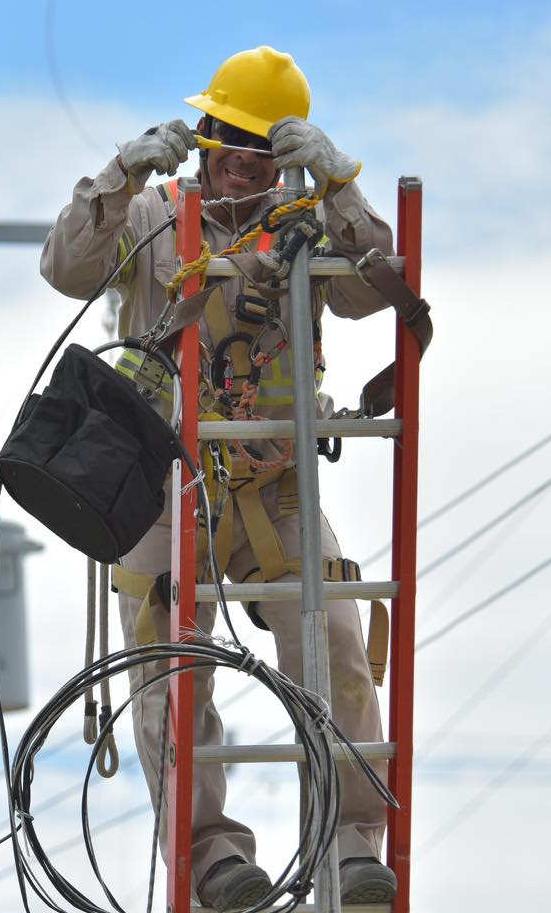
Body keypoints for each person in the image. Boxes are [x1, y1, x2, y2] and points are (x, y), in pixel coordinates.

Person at [40, 46, 398, 908]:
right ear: (203, 134)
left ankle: (352, 845)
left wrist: (341, 185)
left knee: (337, 646)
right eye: (230, 139)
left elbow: (375, 289)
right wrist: (121, 174)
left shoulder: (308, 224)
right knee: (167, 673)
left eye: (263, 147)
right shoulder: (153, 217)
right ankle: (210, 856)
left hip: (275, 484)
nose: (243, 161)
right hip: (167, 482)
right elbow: (65, 268)